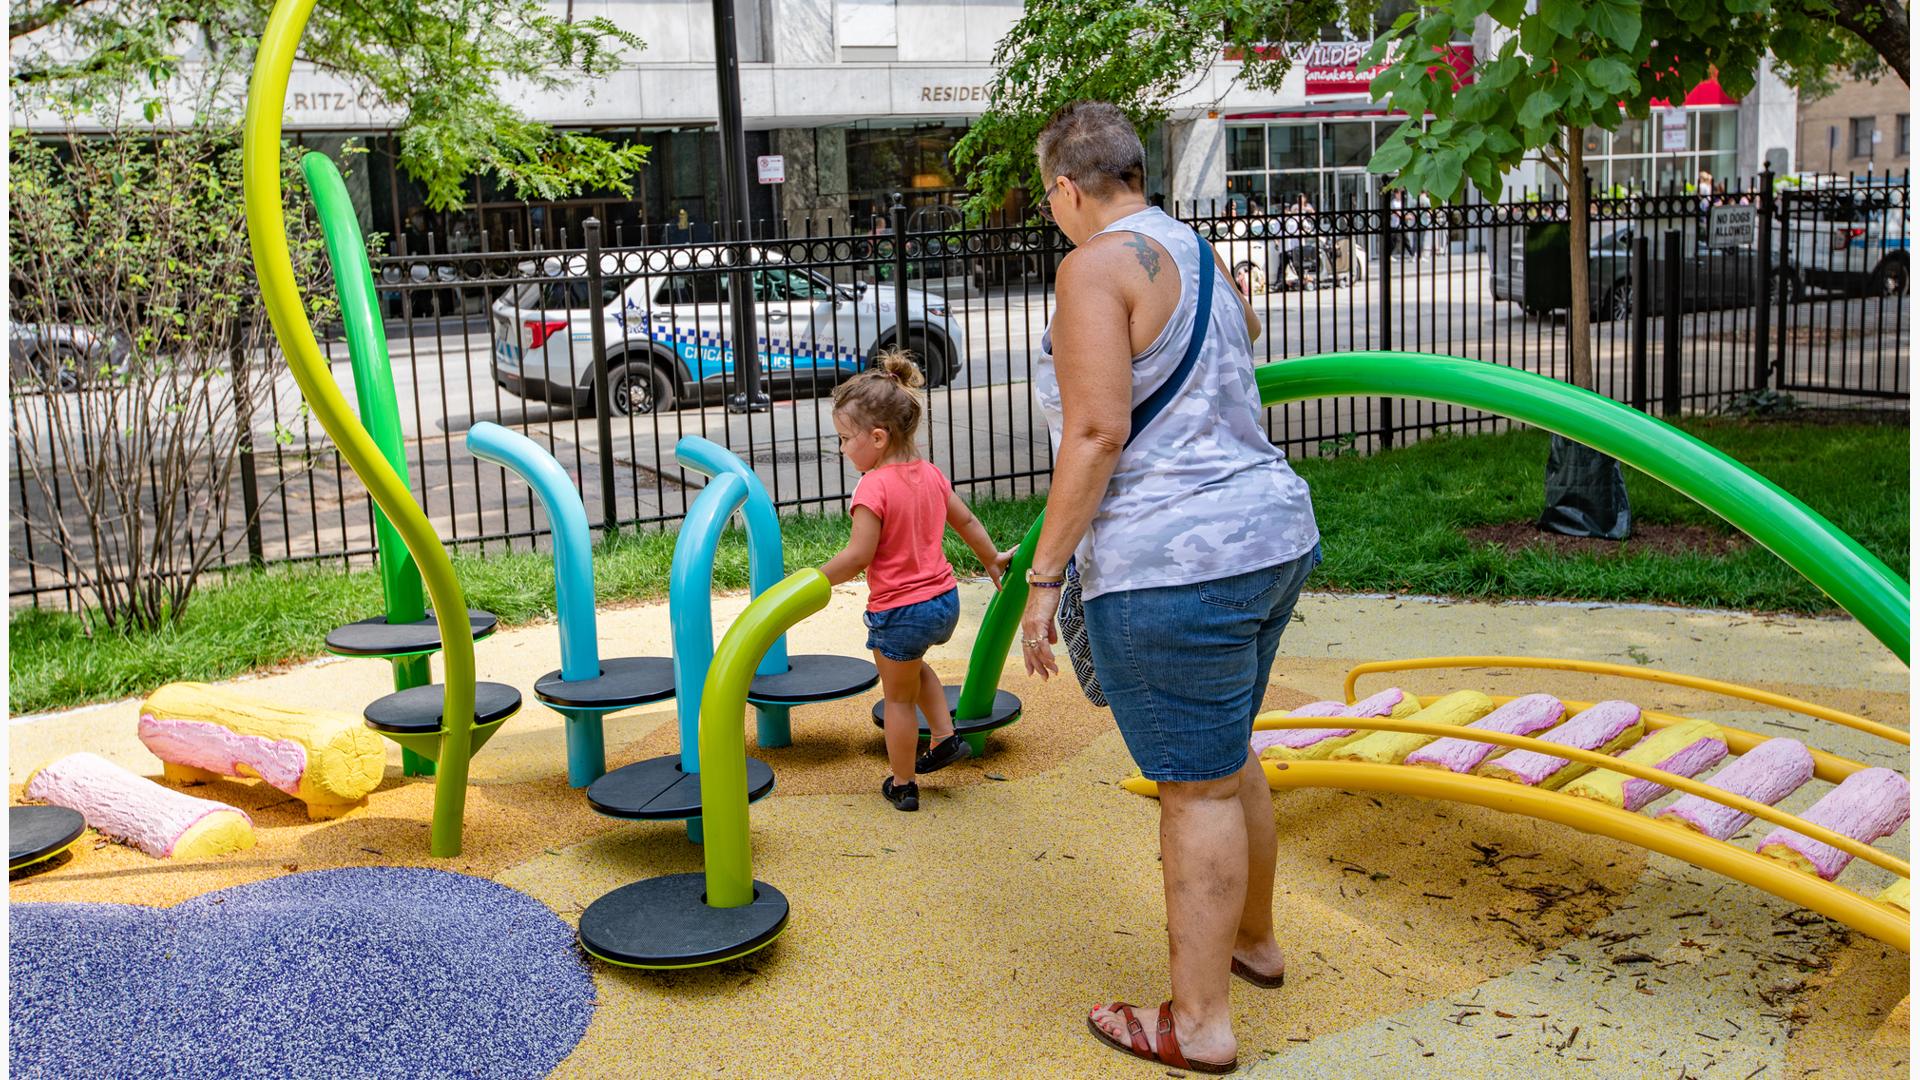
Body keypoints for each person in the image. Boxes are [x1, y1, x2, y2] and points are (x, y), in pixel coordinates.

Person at [1011, 100, 1320, 1074]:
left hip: (1174, 564)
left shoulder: (1094, 266)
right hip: (1268, 536)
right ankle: (1254, 941)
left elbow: (1097, 432)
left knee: (1194, 790)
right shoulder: (1201, 253)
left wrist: (1043, 577)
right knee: (1225, 762)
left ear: (1066, 188)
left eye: (1048, 195)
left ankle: (1199, 1023)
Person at [819, 349, 1005, 812]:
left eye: (845, 438)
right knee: (913, 665)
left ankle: (902, 783)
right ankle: (944, 737)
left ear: (877, 437)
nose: (842, 448)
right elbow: (967, 522)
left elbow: (859, 555)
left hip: (900, 611)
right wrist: (991, 560)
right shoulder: (931, 474)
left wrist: (813, 580)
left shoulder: (873, 487)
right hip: (944, 603)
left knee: (897, 700)